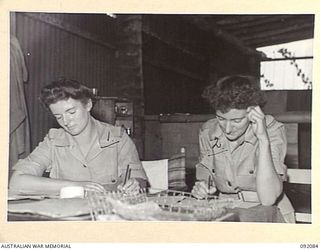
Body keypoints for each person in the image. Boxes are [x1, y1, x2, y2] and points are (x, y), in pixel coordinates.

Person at [9, 79, 147, 195]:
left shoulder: (118, 138)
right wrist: (76, 186)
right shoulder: (53, 141)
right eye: (58, 116)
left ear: (88, 105)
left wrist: (135, 184)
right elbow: (17, 182)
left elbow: (139, 180)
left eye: (71, 112)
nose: (66, 122)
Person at [191, 75, 295, 223]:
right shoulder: (208, 131)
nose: (227, 129)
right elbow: (205, 179)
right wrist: (204, 188)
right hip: (226, 212)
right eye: (221, 118)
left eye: (236, 120)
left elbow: (268, 199)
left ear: (253, 112)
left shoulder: (272, 130)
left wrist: (262, 138)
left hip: (269, 214)